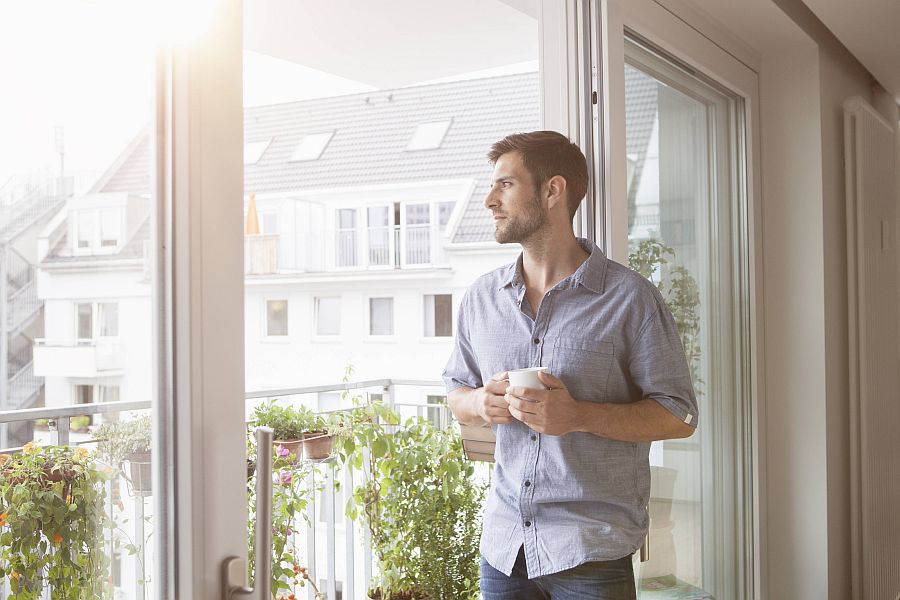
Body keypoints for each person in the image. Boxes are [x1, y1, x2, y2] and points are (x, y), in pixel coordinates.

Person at [442, 130, 698, 600]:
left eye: (505, 185)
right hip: (503, 551)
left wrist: (577, 415)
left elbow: (679, 414)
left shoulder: (630, 299)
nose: (488, 200)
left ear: (552, 190)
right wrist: (480, 401)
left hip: (591, 554)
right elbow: (455, 393)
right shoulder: (481, 298)